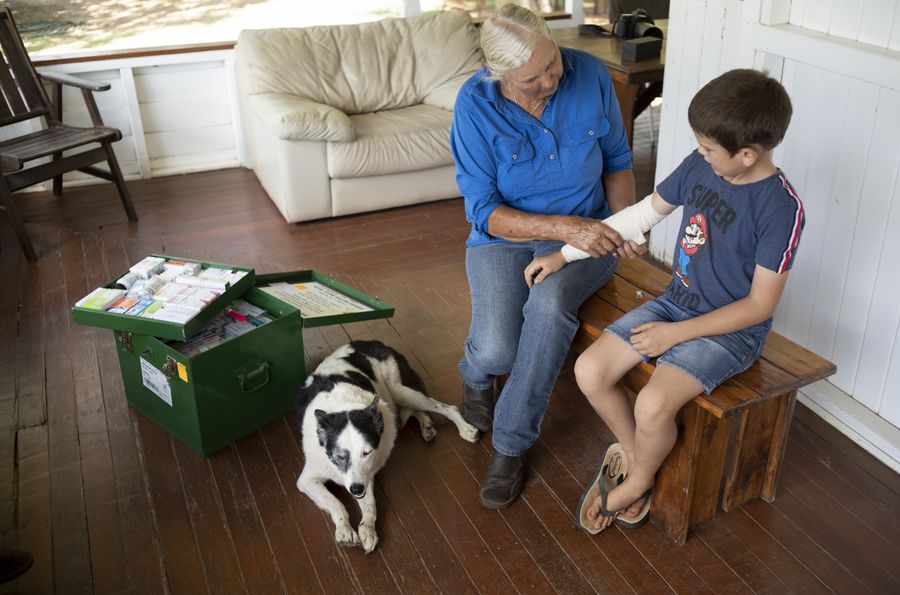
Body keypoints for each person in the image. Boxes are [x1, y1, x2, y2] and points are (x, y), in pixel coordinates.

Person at [532, 68, 803, 532]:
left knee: (653, 405)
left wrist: (676, 334)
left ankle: (636, 482)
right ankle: (638, 455)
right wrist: (564, 254)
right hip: (675, 301)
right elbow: (642, 215)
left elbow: (760, 306)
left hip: (730, 330)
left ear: (746, 154)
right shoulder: (702, 167)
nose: (700, 155)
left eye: (708, 149)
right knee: (589, 370)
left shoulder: (781, 208)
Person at [450, 4, 643, 509]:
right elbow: (485, 212)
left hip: (588, 237)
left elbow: (619, 162)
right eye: (533, 78)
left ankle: (510, 445)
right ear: (500, 75)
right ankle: (475, 375)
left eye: (552, 64)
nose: (551, 79)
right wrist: (559, 227)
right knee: (497, 352)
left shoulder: (592, 74)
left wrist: (620, 225)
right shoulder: (474, 104)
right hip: (505, 238)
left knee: (549, 307)